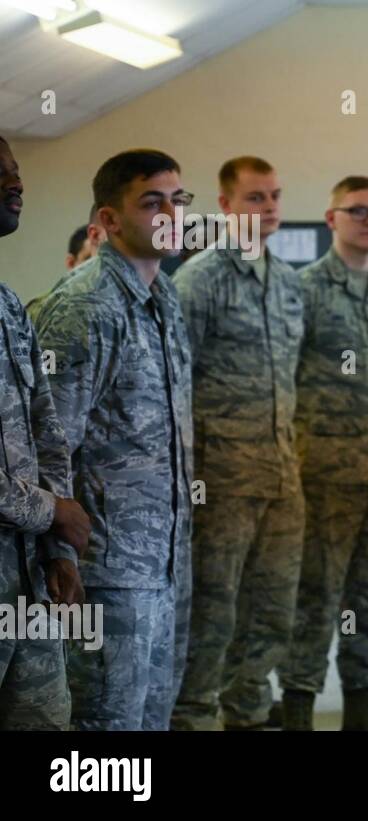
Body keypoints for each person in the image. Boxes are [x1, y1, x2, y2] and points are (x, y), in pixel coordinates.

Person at [35, 148, 195, 731]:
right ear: (108, 219)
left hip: (164, 557)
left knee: (152, 716)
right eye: (153, 202)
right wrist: (59, 553)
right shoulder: (86, 307)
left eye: (179, 200)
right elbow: (46, 442)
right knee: (104, 726)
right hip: (104, 568)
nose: (171, 214)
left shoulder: (163, 299)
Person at [278, 176, 368, 731]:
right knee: (314, 599)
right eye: (358, 211)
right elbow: (284, 378)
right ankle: (297, 709)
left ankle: (363, 708)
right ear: (331, 218)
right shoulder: (302, 289)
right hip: (323, 476)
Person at [170, 156, 305, 731]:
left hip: (281, 477)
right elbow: (175, 380)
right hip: (221, 481)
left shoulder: (288, 282)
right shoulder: (200, 279)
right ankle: (193, 713)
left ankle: (248, 711)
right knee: (213, 611)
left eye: (275, 196)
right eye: (255, 198)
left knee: (273, 609)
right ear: (225, 206)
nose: (269, 207)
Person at [0, 134, 88, 731]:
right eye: (0, 173)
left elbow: (47, 430)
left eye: (16, 170)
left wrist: (57, 546)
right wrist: (51, 511)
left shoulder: (7, 305)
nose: (17, 183)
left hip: (27, 576)